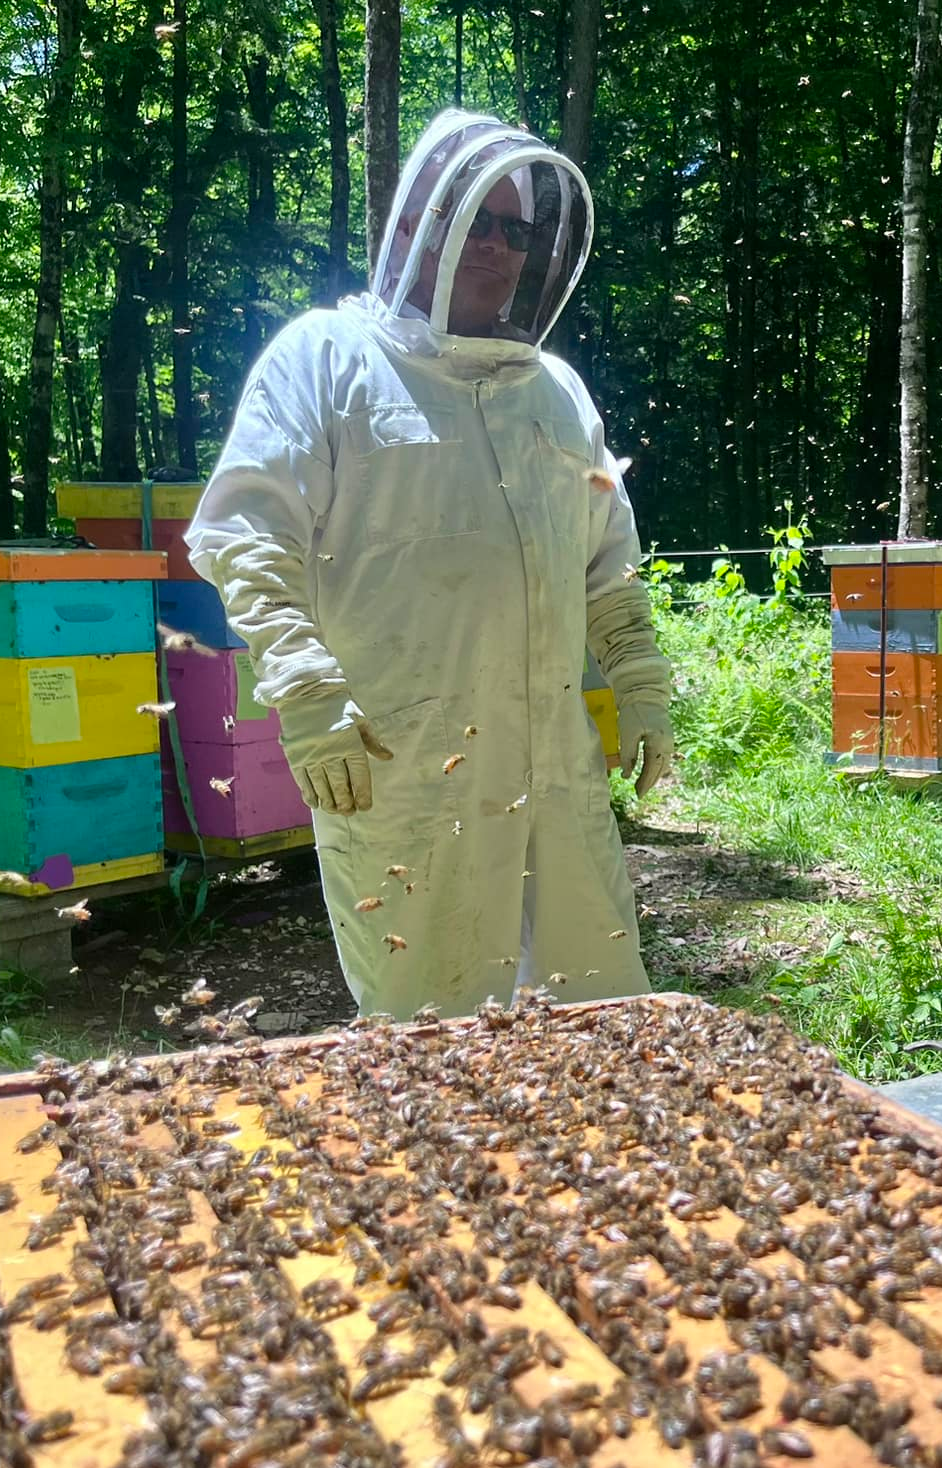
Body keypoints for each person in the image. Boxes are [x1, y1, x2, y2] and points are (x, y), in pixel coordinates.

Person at [188, 109, 673, 1019]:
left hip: (556, 776)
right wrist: (303, 687)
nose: (494, 245)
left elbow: (607, 559)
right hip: (405, 772)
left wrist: (639, 675)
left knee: (602, 1028)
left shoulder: (558, 392)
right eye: (472, 219)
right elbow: (245, 532)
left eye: (514, 228)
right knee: (430, 1043)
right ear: (413, 225)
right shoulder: (323, 358)